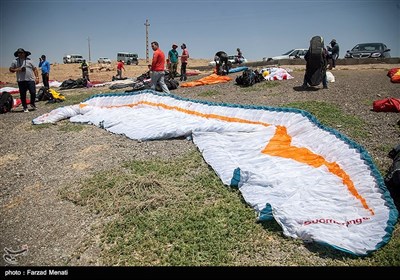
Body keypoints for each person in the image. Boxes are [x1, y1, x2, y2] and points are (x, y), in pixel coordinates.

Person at [9, 48, 39, 112]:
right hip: (21, 81)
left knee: (33, 92)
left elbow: (35, 69)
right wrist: (18, 69)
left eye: (22, 53)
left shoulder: (30, 60)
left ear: (25, 53)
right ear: (17, 54)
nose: (20, 54)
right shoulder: (15, 61)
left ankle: (32, 103)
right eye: (19, 53)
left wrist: (37, 77)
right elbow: (11, 69)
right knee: (23, 94)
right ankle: (25, 107)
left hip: (30, 80)